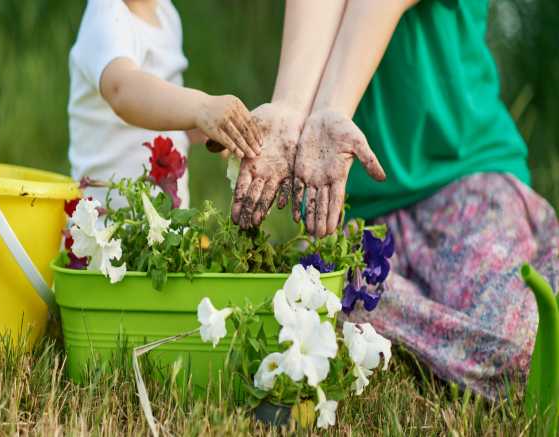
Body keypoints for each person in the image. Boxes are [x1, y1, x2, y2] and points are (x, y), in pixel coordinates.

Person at [233, 0, 559, 399]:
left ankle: (377, 319)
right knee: (300, 301)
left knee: (523, 352)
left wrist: (333, 111)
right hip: (361, 214)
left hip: (463, 182)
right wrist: (288, 109)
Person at [68, 0, 261, 208]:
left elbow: (161, 105)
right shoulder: (106, 14)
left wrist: (196, 126)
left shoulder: (166, 14)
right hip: (107, 223)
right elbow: (121, 89)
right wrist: (200, 107)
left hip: (163, 223)